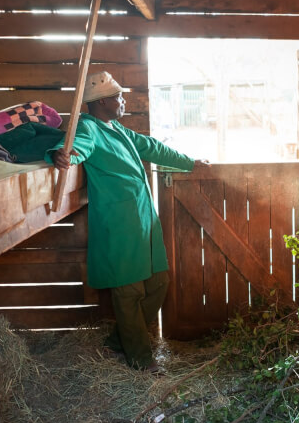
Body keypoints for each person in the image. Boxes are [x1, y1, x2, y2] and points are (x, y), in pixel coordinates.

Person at [47, 71, 207, 372]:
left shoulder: (117, 129)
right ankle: (141, 360)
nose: (123, 101)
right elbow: (77, 146)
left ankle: (121, 338)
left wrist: (190, 163)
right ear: (103, 101)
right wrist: (65, 155)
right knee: (129, 292)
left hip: (143, 221)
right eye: (119, 97)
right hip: (118, 224)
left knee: (159, 283)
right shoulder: (89, 127)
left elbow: (152, 147)